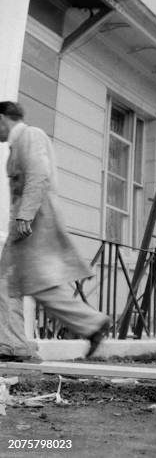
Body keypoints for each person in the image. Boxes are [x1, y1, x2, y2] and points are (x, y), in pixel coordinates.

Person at [0, 101, 110, 361]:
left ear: (3, 118)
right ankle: (90, 324)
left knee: (21, 283)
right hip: (27, 224)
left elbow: (39, 175)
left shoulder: (30, 135)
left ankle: (14, 345)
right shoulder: (20, 142)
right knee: (20, 284)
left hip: (32, 224)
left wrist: (25, 215)